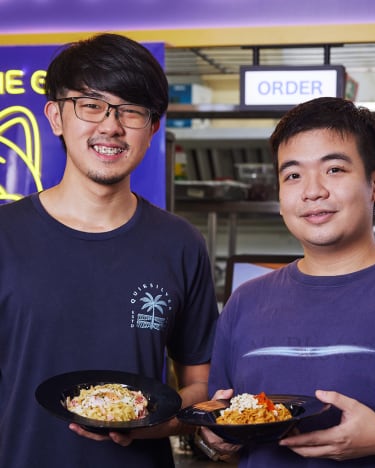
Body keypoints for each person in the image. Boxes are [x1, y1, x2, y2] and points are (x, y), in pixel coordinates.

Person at [0, 33, 218, 467]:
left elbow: (202, 386)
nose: (110, 126)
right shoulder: (4, 235)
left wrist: (162, 423)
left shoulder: (181, 244)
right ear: (56, 116)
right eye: (91, 105)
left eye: (131, 111)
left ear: (153, 128)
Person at [199, 97, 375, 467]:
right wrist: (216, 440)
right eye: (293, 175)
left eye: (334, 169)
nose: (312, 191)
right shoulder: (245, 301)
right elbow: (219, 425)